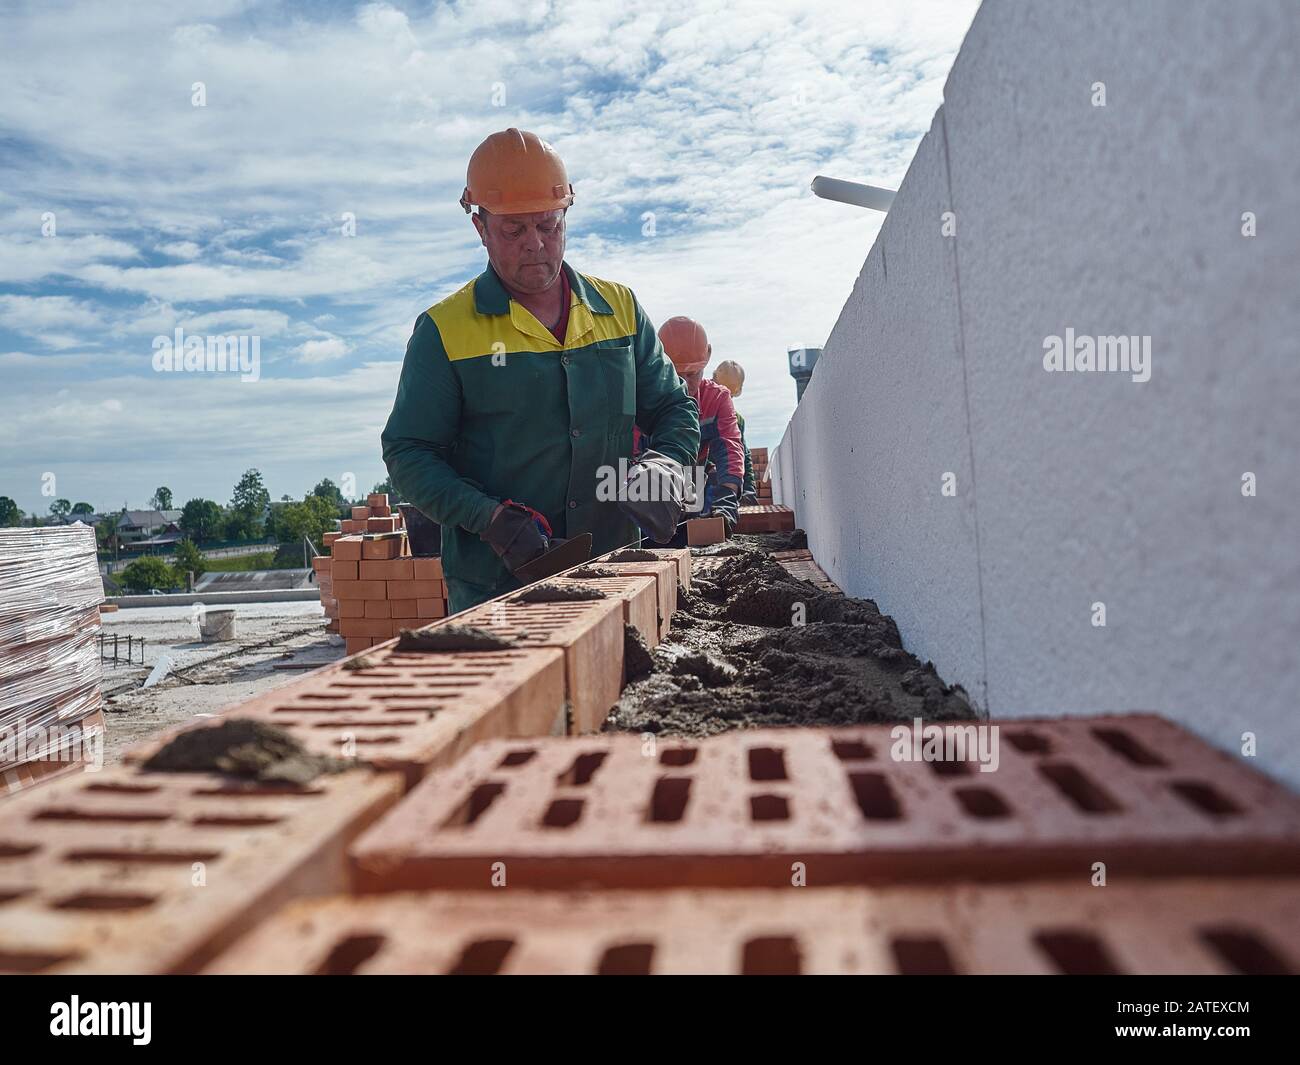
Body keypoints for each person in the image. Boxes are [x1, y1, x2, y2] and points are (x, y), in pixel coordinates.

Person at [382, 129, 699, 612]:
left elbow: (674, 408)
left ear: (565, 217)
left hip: (616, 573)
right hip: (497, 591)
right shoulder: (443, 331)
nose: (535, 244)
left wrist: (668, 464)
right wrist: (488, 518)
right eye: (513, 230)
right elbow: (409, 453)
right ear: (480, 228)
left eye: (549, 226)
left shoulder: (620, 310)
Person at [651, 316, 746, 534]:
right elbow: (633, 452)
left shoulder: (717, 399)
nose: (685, 382)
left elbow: (730, 448)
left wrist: (727, 496)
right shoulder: (648, 400)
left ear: (707, 358)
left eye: (692, 374)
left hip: (697, 480)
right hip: (658, 483)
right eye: (677, 374)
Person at [712, 359, 757, 504]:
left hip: (724, 484)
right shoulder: (699, 409)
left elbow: (743, 455)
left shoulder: (738, 420)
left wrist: (749, 491)